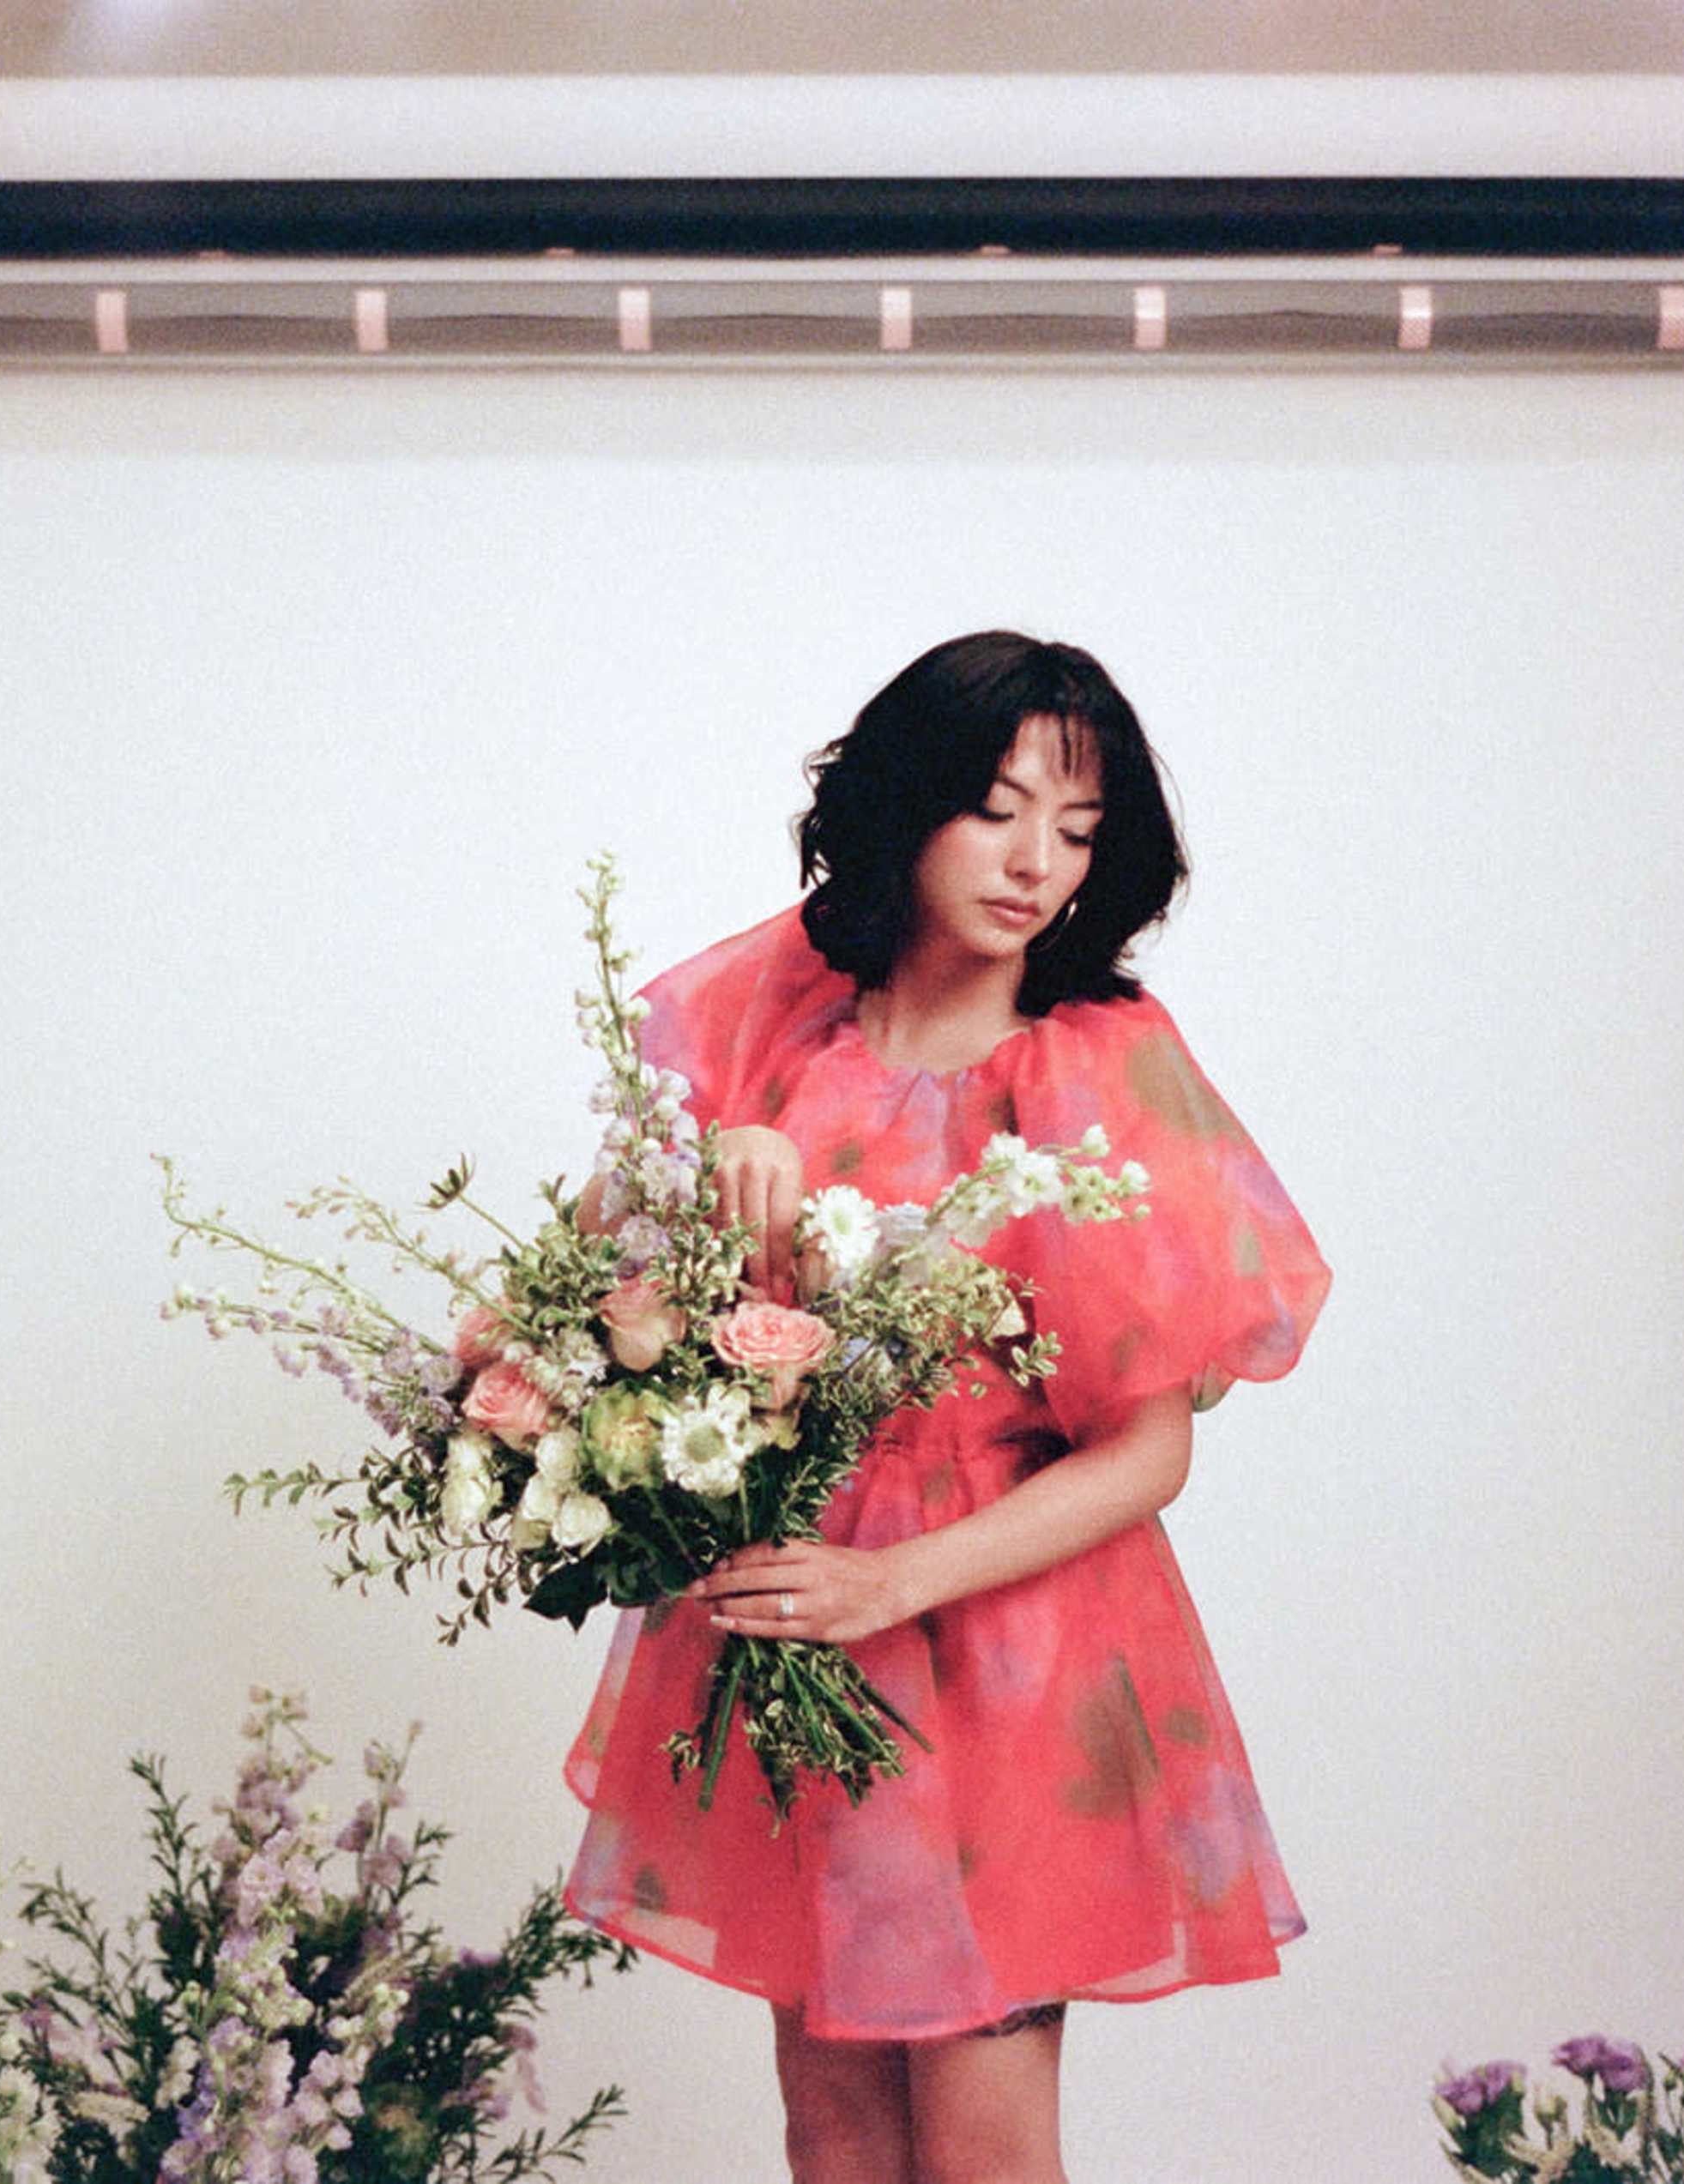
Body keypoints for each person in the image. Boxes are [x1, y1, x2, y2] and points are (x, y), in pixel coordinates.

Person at [559, 631, 1333, 2183]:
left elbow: (1150, 1448)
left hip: (1007, 1656)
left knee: (985, 2157)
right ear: (907, 804)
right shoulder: (785, 1029)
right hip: (793, 1643)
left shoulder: (1097, 1072)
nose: (1037, 862)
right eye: (997, 806)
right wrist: (708, 1205)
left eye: (1079, 828)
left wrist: (890, 1582)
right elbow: (594, 1309)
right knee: (833, 2142)